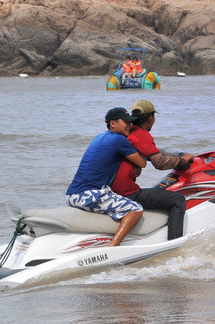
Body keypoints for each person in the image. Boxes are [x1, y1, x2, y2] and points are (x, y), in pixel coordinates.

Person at [110, 99, 194, 241]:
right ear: (151, 119)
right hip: (126, 192)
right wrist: (183, 160)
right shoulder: (141, 134)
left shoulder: (127, 133)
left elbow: (149, 154)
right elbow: (159, 162)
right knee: (177, 200)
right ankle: (174, 244)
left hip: (111, 190)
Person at [66, 108, 148, 247]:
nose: (129, 125)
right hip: (87, 194)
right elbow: (142, 163)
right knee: (136, 209)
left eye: (130, 122)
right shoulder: (119, 140)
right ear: (113, 124)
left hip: (73, 194)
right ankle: (113, 247)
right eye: (125, 122)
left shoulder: (100, 137)